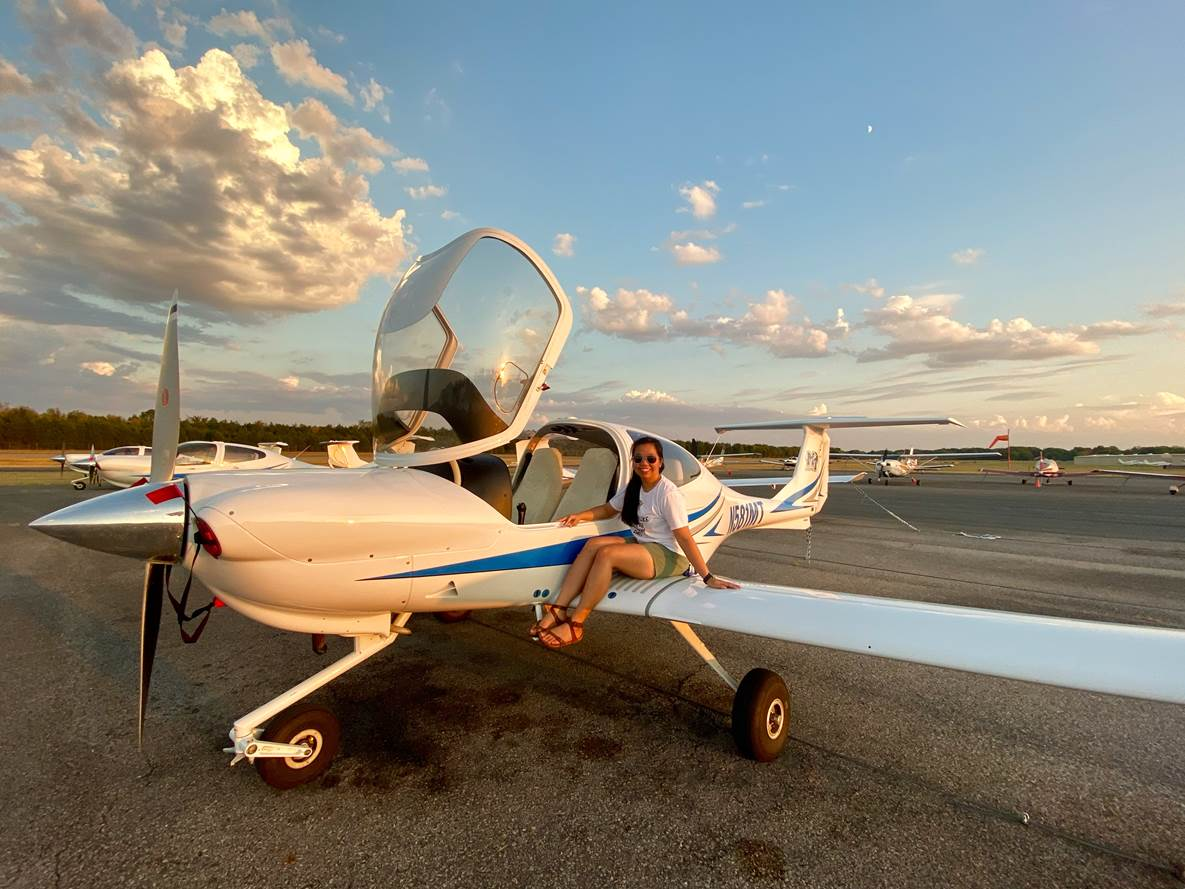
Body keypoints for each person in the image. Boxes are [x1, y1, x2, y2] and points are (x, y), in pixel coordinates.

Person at [532, 436, 740, 648]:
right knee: (593, 545)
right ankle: (558, 609)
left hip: (670, 555)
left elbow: (684, 537)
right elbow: (608, 510)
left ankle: (576, 624)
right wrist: (580, 516)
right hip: (644, 545)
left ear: (660, 462)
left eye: (651, 459)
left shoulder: (668, 494)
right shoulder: (635, 487)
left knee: (607, 555)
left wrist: (707, 576)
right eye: (638, 458)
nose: (644, 463)